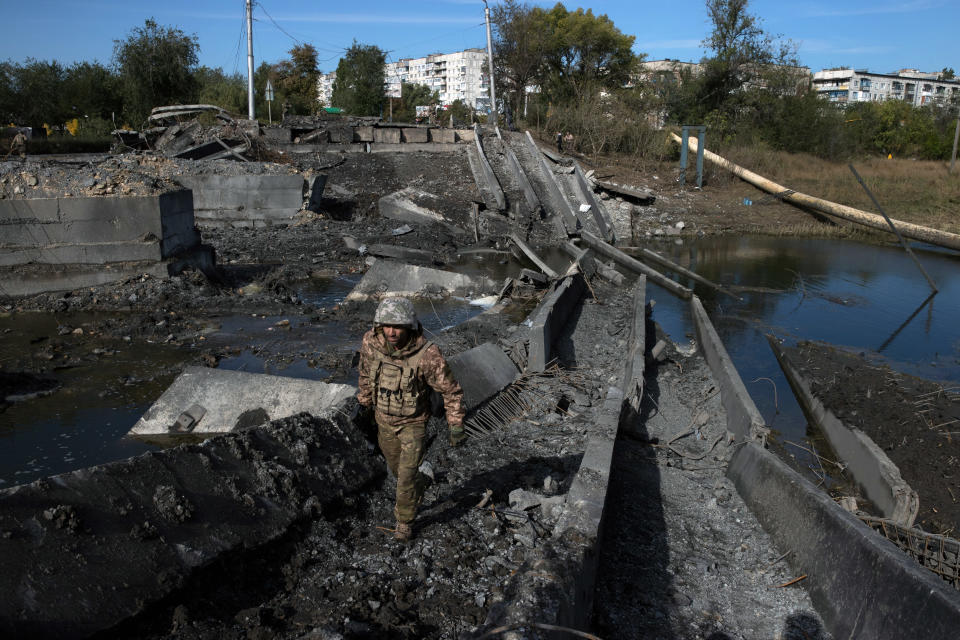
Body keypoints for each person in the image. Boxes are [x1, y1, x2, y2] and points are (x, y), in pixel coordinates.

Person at [356, 297, 466, 542]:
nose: (392, 332)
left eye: (398, 326)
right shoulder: (370, 343)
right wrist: (364, 403)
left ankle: (404, 522)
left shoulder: (427, 355)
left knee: (404, 478)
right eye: (387, 325)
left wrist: (455, 423)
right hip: (383, 421)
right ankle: (424, 479)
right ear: (379, 326)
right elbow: (364, 372)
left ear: (409, 327)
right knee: (398, 472)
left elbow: (450, 389)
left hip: (413, 424)